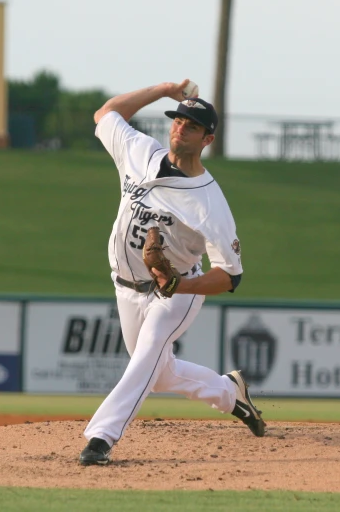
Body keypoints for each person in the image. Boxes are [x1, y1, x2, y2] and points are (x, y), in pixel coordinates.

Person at [79, 80, 266, 466]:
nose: (181, 127)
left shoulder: (209, 203)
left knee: (146, 355)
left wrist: (184, 285)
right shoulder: (139, 152)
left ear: (207, 139)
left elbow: (231, 276)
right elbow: (106, 114)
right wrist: (165, 89)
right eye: (178, 120)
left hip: (175, 292)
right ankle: (230, 393)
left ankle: (101, 437)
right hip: (125, 286)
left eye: (192, 126)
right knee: (159, 374)